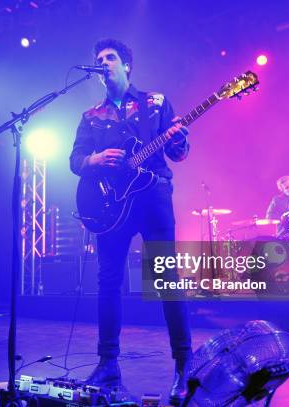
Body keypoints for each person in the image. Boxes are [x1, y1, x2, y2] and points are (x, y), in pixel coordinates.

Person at [69, 39, 192, 403]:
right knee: (109, 280)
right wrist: (93, 161)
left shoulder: (155, 102)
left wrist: (180, 138)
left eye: (110, 58)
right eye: (99, 59)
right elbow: (74, 160)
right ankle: (108, 362)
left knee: (166, 278)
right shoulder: (91, 116)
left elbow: (178, 154)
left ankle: (183, 363)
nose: (103, 63)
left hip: (153, 196)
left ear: (127, 66)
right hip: (112, 206)